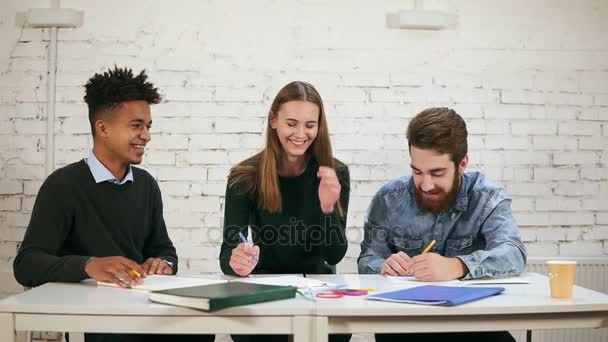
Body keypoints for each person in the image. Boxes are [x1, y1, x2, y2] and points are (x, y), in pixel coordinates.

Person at [13, 66, 214, 342]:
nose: (147, 135)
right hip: (93, 314)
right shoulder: (62, 185)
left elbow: (164, 250)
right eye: (136, 125)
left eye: (148, 126)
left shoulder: (146, 186)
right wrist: (89, 265)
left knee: (199, 332)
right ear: (103, 128)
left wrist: (162, 263)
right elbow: (27, 263)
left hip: (142, 307)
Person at [358, 107, 527, 342]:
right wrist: (383, 266)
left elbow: (514, 253)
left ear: (462, 164)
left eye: (437, 173)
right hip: (405, 327)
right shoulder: (388, 199)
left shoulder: (487, 198)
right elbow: (368, 259)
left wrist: (458, 266)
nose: (426, 185)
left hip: (473, 326)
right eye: (417, 171)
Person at [219, 81, 350, 342]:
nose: (301, 133)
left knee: (336, 336)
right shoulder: (244, 176)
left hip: (318, 288)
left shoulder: (335, 173)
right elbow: (226, 255)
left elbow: (334, 255)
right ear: (273, 120)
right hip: (265, 286)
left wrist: (327, 208)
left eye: (310, 125)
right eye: (292, 123)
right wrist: (238, 263)